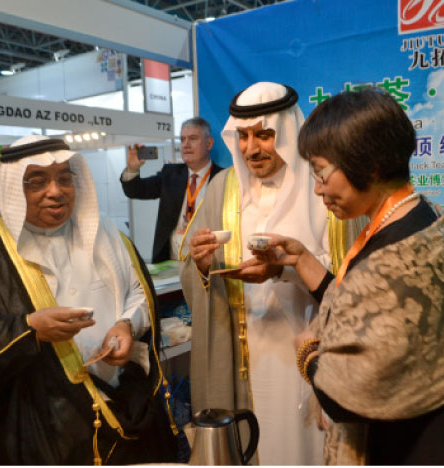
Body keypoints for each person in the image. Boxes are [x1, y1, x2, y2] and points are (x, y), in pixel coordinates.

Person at [252, 88, 444, 465]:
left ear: (368, 164)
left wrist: (306, 351)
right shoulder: (414, 219)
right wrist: (302, 259)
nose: (319, 189)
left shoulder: (396, 257)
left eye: (321, 172)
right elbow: (362, 306)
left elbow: (344, 398)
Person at [0, 135, 177, 464]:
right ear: (13, 190)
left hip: (126, 403)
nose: (55, 191)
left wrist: (126, 323)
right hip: (47, 425)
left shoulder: (106, 232)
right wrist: (29, 330)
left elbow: (138, 291)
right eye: (37, 181)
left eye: (64, 178)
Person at [180, 82, 359, 465]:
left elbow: (353, 281)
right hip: (243, 356)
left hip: (309, 350)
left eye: (264, 135)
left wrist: (287, 270)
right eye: (242, 137)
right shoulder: (221, 189)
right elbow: (191, 270)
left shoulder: (325, 187)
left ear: (288, 133)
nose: (251, 149)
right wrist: (201, 264)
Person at [120, 117, 222, 263]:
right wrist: (132, 168)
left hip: (208, 262)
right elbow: (135, 190)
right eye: (182, 139)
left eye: (193, 138)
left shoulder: (222, 177)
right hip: (171, 264)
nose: (186, 145)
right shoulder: (170, 174)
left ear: (209, 143)